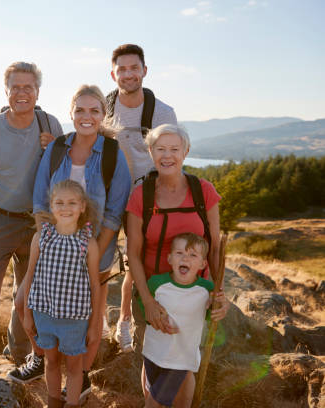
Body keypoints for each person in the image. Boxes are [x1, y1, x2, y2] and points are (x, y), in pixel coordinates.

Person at [8, 85, 131, 401]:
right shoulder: (57, 149)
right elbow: (39, 201)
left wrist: (91, 255)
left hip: (91, 252)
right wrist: (50, 245)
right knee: (25, 303)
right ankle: (42, 357)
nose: (86, 117)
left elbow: (114, 214)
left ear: (103, 115)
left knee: (89, 320)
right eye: (80, 110)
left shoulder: (113, 154)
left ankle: (81, 378)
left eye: (94, 111)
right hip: (53, 249)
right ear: (71, 113)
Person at [0, 61, 64, 395]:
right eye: (16, 87)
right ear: (6, 91)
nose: (22, 93)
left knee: (28, 296)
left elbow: (65, 173)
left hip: (38, 223)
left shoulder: (51, 125)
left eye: (28, 87)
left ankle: (21, 358)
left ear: (37, 91)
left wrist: (54, 150)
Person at [125, 124, 229, 357]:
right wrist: (148, 302)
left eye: (174, 149)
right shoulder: (141, 195)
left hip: (194, 295)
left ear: (186, 151)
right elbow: (132, 253)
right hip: (153, 292)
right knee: (151, 363)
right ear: (151, 152)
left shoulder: (204, 191)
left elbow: (214, 248)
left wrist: (218, 293)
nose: (167, 156)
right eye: (160, 149)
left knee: (186, 362)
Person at [104, 44, 179, 352]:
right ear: (113, 74)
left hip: (149, 198)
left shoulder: (163, 112)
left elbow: (171, 155)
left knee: (139, 263)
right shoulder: (104, 108)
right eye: (122, 69)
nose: (128, 74)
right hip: (111, 197)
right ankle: (107, 325)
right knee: (105, 264)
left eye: (134, 67)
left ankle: (127, 324)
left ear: (145, 71)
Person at [21, 180, 102, 408]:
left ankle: (72, 404)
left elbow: (95, 285)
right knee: (51, 362)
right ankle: (53, 403)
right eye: (59, 202)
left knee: (75, 368)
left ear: (82, 206)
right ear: (51, 205)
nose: (65, 208)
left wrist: (94, 324)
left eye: (72, 202)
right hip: (44, 314)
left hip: (75, 320)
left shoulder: (87, 242)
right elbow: (30, 276)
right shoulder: (42, 237)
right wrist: (28, 314)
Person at [141, 232, 227, 408]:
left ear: (203, 264)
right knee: (151, 394)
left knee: (154, 403)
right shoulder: (156, 284)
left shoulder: (207, 289)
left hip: (180, 359)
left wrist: (218, 307)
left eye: (193, 255)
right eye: (179, 253)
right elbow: (145, 309)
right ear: (170, 258)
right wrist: (157, 319)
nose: (185, 258)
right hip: (153, 353)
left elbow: (213, 315)